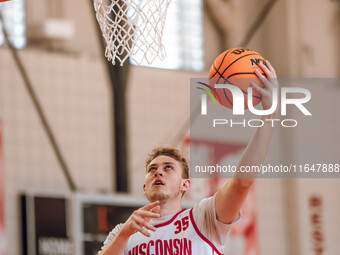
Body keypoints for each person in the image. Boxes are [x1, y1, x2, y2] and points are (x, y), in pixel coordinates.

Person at [99, 61, 278, 255]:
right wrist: (125, 234)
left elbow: (242, 183)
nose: (158, 171)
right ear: (144, 187)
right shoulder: (123, 233)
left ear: (185, 184)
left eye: (168, 167)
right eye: (152, 169)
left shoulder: (204, 217)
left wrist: (269, 116)